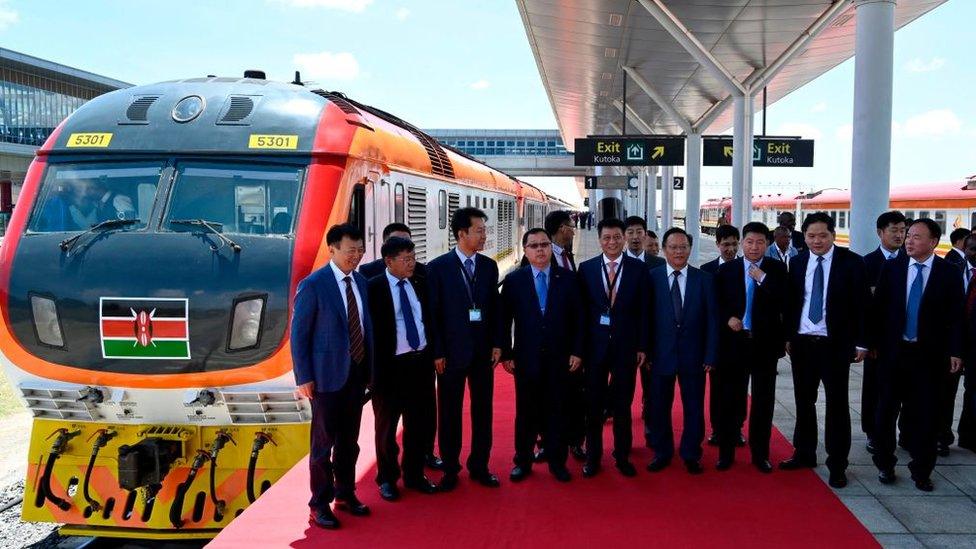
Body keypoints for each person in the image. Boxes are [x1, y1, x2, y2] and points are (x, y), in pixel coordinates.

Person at [871, 219, 964, 491]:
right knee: (885, 412)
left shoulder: (948, 273)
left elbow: (956, 316)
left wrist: (956, 351)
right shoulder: (892, 269)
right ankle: (885, 464)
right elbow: (878, 310)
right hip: (893, 353)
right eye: (908, 236)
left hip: (929, 357)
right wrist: (871, 343)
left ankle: (922, 469)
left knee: (926, 415)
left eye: (916, 237)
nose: (908, 241)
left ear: (934, 241)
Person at [292, 223, 374, 530]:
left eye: (360, 249)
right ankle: (319, 504)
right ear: (333, 250)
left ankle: (345, 493)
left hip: (355, 375)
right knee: (322, 446)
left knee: (349, 443)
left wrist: (369, 370)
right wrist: (304, 377)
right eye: (350, 250)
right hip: (325, 379)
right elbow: (300, 335)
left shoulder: (362, 282)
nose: (356, 255)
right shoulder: (314, 285)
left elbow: (366, 329)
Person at [780, 212, 869, 489]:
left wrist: (862, 342)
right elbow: (791, 303)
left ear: (833, 235)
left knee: (837, 405)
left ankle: (837, 464)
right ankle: (804, 453)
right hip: (804, 344)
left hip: (835, 345)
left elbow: (863, 305)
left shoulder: (852, 263)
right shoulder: (796, 262)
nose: (816, 241)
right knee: (803, 402)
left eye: (822, 235)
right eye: (811, 236)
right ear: (803, 237)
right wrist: (788, 337)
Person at [426, 207, 503, 490]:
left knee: (483, 411)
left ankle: (480, 466)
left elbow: (495, 309)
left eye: (484, 230)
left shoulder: (488, 266)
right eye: (479, 230)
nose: (484, 235)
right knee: (449, 413)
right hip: (451, 355)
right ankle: (450, 469)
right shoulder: (438, 269)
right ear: (462, 234)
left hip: (483, 353)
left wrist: (498, 344)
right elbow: (433, 315)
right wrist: (437, 352)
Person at [501, 228, 583, 483]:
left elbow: (580, 320)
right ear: (525, 251)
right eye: (534, 245)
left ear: (551, 248)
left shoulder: (569, 279)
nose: (540, 250)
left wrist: (578, 351)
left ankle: (557, 462)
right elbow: (504, 321)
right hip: (526, 360)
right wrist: (506, 353)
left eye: (544, 245)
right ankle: (522, 461)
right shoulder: (515, 281)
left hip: (560, 359)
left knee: (557, 410)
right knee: (525, 412)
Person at [359, 222, 441, 471]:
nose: (411, 263)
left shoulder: (421, 282)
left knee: (418, 424)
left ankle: (415, 475)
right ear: (389, 261)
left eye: (413, 257)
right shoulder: (372, 288)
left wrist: (436, 353)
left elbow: (432, 320)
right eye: (405, 259)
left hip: (420, 366)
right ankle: (387, 477)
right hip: (389, 369)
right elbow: (365, 331)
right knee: (387, 428)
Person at [577, 218, 649, 478]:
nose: (612, 242)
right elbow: (581, 313)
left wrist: (642, 345)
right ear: (599, 240)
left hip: (626, 347)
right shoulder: (585, 269)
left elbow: (644, 311)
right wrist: (580, 349)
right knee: (593, 406)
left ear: (624, 239)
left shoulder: (638, 270)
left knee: (622, 406)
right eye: (607, 238)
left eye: (617, 237)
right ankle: (593, 457)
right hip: (594, 349)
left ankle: (622, 456)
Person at [714, 222, 787, 473]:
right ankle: (726, 452)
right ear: (742, 243)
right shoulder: (727, 270)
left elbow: (784, 300)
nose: (754, 247)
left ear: (766, 244)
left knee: (763, 403)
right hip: (734, 344)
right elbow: (716, 303)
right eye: (749, 242)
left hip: (764, 345)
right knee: (730, 400)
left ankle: (760, 454)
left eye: (759, 242)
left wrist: (762, 278)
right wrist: (727, 318)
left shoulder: (777, 269)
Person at [646, 228, 719, 475]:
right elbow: (645, 321)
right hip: (660, 356)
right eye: (673, 247)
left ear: (690, 249)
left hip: (694, 358)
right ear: (664, 249)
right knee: (659, 406)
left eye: (683, 247)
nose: (678, 252)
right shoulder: (652, 278)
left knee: (694, 407)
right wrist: (645, 351)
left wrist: (710, 355)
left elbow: (712, 321)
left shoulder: (704, 280)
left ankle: (691, 453)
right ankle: (662, 452)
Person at [860, 211, 906, 455]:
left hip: (905, 342)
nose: (899, 235)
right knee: (874, 389)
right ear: (880, 233)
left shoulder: (911, 261)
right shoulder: (867, 263)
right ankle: (872, 432)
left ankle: (905, 433)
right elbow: (864, 307)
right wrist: (867, 341)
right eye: (893, 230)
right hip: (878, 343)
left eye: (902, 230)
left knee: (904, 390)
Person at [700, 223, 742, 447]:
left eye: (735, 244)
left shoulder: (746, 268)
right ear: (717, 245)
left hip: (739, 340)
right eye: (726, 244)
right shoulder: (707, 271)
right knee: (716, 387)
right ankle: (717, 429)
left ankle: (736, 429)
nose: (731, 249)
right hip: (716, 340)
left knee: (738, 387)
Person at [956, 233, 976, 453]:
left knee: (973, 390)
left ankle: (969, 437)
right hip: (954, 344)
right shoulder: (951, 270)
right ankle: (944, 436)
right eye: (972, 249)